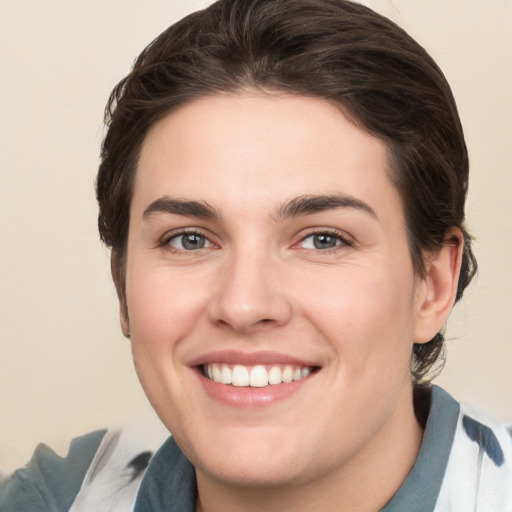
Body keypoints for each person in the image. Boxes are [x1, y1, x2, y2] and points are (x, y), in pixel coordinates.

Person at [1, 0, 511, 510]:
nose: (243, 305)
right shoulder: (52, 499)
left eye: (323, 239)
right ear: (122, 283)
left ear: (434, 285)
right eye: (190, 239)